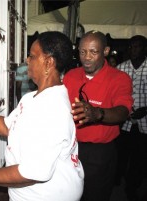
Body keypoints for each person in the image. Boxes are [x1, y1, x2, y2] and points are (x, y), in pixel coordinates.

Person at [0, 31, 84, 201]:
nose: (27, 60)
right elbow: (7, 126)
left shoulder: (53, 110)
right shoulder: (32, 97)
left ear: (48, 63)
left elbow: (31, 172)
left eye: (32, 56)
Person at [63, 30, 133, 201]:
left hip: (99, 153)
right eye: (82, 51)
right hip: (69, 148)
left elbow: (123, 111)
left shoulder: (119, 78)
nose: (86, 57)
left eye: (93, 52)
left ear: (106, 52)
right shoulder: (71, 76)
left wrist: (98, 113)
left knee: (94, 195)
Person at [116, 35, 147, 201]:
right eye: (131, 47)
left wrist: (146, 109)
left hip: (144, 120)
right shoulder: (121, 68)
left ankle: (132, 186)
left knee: (139, 156)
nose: (133, 50)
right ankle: (117, 178)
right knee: (121, 152)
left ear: (144, 48)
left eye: (138, 47)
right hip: (124, 120)